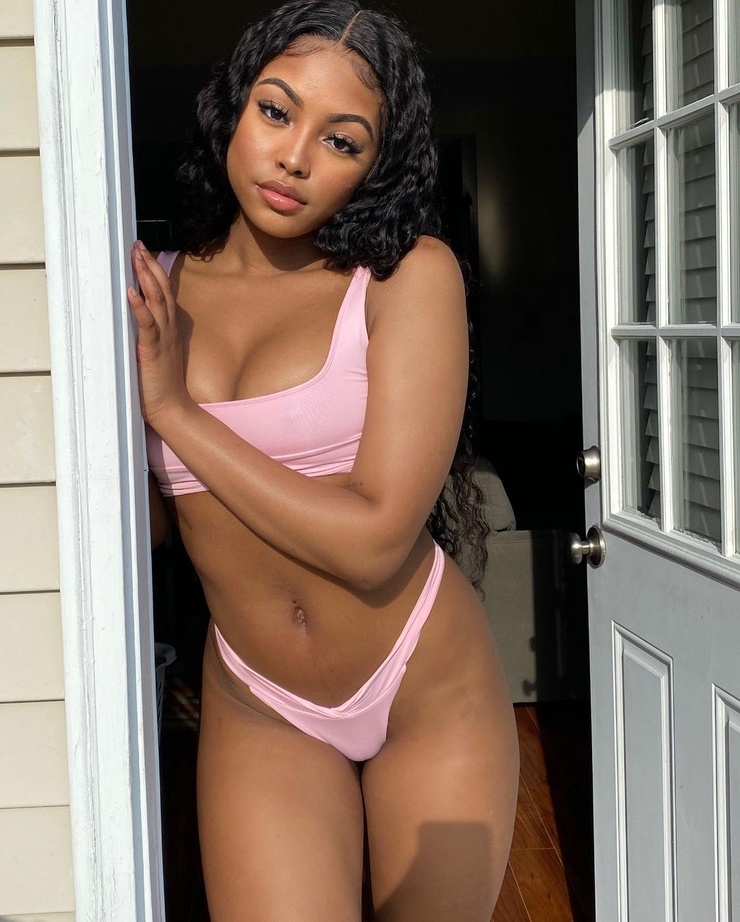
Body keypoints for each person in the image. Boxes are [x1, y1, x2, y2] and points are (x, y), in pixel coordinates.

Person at [128, 2, 518, 919]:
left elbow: (376, 540)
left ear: (373, 167)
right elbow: (150, 526)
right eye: (276, 111)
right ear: (234, 107)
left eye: (341, 140)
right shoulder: (152, 291)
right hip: (259, 696)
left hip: (422, 682)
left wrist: (174, 412)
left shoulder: (406, 277)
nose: (295, 157)